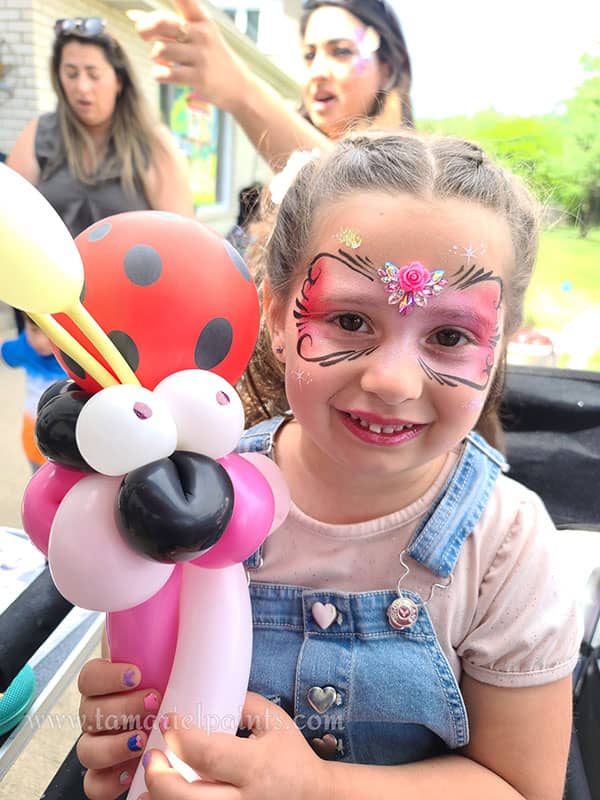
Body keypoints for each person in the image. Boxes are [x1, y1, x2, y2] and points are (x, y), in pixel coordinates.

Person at [76, 132, 579, 800]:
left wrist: (317, 787)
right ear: (277, 315)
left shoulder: (510, 550)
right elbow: (137, 701)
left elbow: (522, 787)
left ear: (501, 343)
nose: (395, 381)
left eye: (451, 336)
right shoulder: (189, 493)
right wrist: (117, 733)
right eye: (348, 319)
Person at [135, 0, 413, 171]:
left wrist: (240, 91)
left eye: (340, 51)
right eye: (309, 55)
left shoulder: (415, 177)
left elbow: (351, 187)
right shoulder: (280, 172)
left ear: (387, 67)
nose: (317, 71)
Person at [6, 16, 194, 238]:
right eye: (71, 74)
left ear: (119, 81)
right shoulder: (38, 133)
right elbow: (9, 220)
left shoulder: (153, 143)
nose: (82, 87)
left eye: (94, 75)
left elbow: (183, 239)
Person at [1, 316, 66, 472]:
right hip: (32, 433)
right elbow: (5, 351)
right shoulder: (24, 346)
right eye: (34, 330)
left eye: (48, 332)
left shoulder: (74, 355)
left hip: (65, 435)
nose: (40, 341)